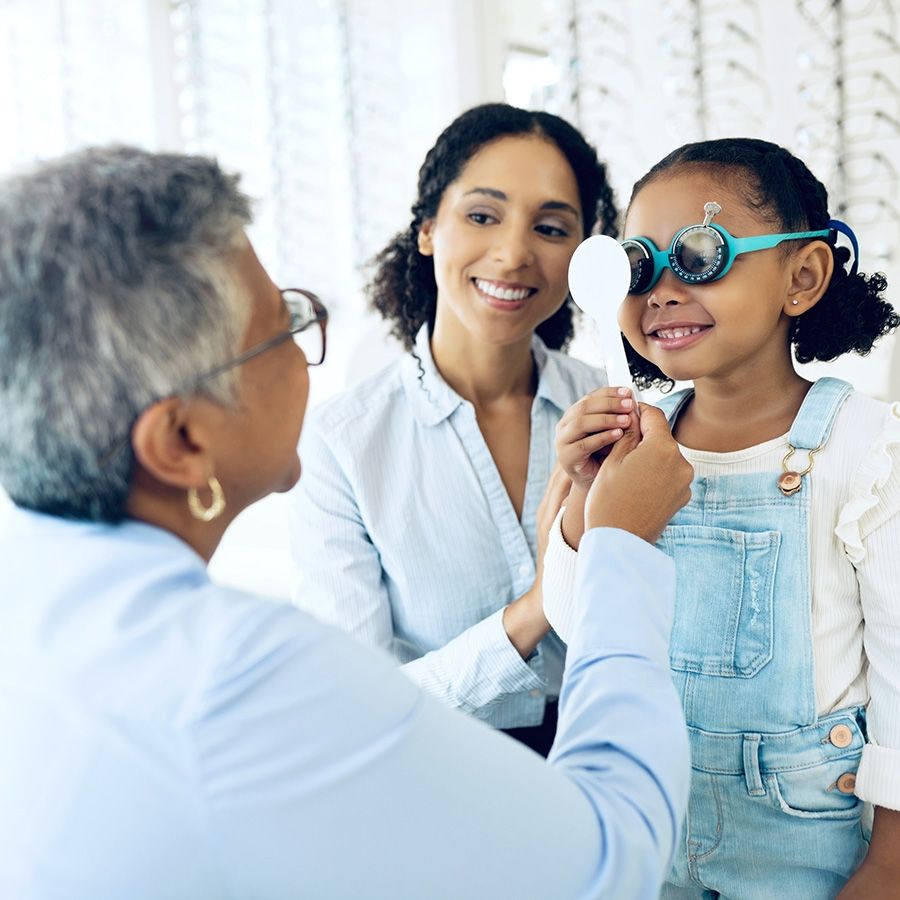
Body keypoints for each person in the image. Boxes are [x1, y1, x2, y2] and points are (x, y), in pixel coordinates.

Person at [0, 145, 696, 899]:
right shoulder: (250, 679)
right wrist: (616, 552)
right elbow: (611, 861)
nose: (308, 353)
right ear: (180, 443)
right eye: (283, 326)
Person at [545, 137, 900, 898]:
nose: (662, 290)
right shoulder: (635, 448)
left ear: (801, 276)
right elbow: (581, 626)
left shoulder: (868, 450)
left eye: (700, 253)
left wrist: (892, 863)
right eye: (639, 265)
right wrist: (587, 504)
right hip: (651, 813)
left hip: (803, 838)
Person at [289, 103, 628, 755]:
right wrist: (535, 609)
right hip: (433, 780)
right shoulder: (343, 443)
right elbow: (357, 709)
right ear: (427, 230)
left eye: (551, 228)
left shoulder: (616, 409)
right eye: (482, 215)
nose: (513, 253)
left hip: (610, 767)